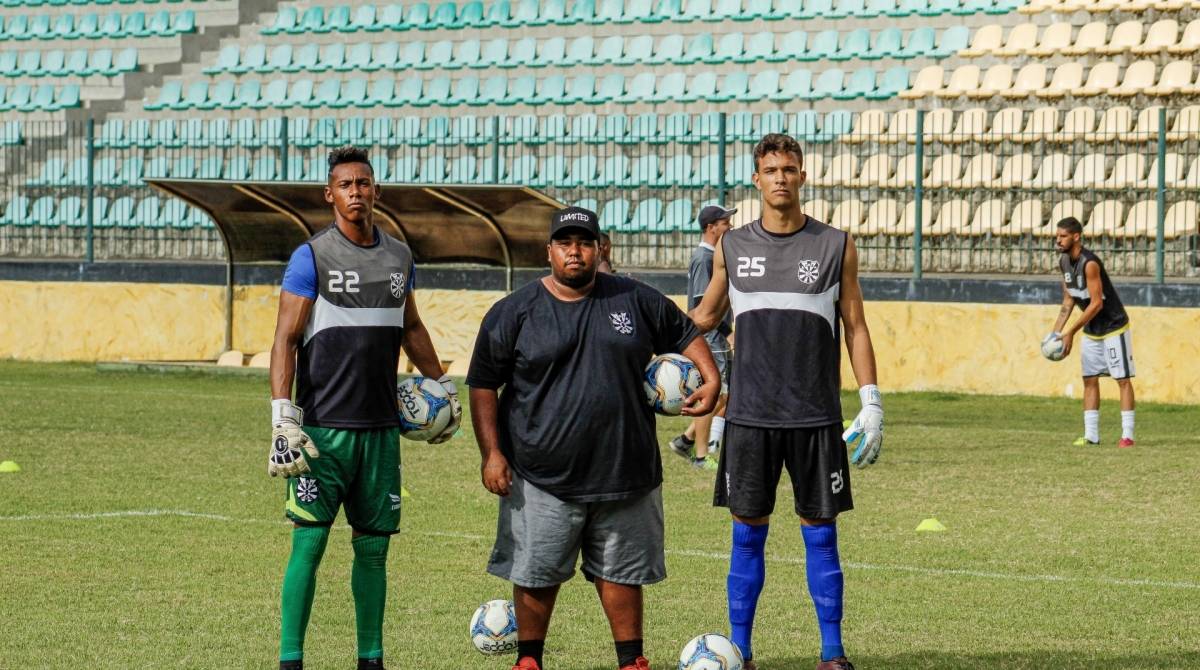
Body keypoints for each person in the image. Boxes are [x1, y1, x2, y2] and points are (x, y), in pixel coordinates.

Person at [467, 206, 721, 670]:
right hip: (541, 473)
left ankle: (631, 661)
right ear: (549, 251)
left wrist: (711, 377)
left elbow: (684, 331)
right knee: (536, 572)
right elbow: (483, 384)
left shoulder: (634, 298)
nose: (575, 251)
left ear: (599, 247)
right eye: (565, 243)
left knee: (622, 574)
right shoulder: (514, 311)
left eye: (584, 242)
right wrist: (492, 454)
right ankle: (529, 660)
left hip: (625, 468)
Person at [690, 134, 883, 670]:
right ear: (757, 180)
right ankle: (741, 653)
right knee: (746, 536)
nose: (780, 177)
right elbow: (704, 317)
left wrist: (871, 401)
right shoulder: (732, 247)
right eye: (770, 169)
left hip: (815, 417)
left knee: (821, 536)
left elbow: (856, 326)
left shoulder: (835, 244)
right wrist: (649, 344)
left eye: (789, 169)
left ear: (802, 176)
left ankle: (832, 654)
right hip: (750, 416)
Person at [267, 146, 461, 670]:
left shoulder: (399, 256)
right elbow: (285, 339)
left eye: (364, 183)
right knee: (308, 543)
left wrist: (441, 384)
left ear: (377, 191)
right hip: (324, 433)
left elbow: (411, 327)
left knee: (374, 550)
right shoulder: (311, 256)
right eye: (346, 184)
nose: (356, 191)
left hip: (380, 430)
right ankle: (291, 660)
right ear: (330, 195)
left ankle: (370, 659)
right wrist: (282, 416)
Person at [1048, 217, 1135, 447]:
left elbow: (1096, 304)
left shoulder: (1090, 263)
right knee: (1089, 379)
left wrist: (1071, 332)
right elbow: (1068, 300)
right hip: (1091, 328)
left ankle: (1127, 435)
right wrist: (1056, 332)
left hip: (1113, 326)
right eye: (1057, 236)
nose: (1058, 240)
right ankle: (1091, 436)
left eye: (1063, 236)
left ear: (1076, 237)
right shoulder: (1063, 261)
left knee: (1122, 379)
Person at [668, 204, 737, 471]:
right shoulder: (704, 259)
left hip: (715, 336)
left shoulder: (712, 257)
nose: (729, 226)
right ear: (711, 228)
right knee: (716, 392)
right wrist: (727, 334)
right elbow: (702, 304)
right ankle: (698, 454)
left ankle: (686, 440)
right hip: (711, 337)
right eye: (724, 222)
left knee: (724, 394)